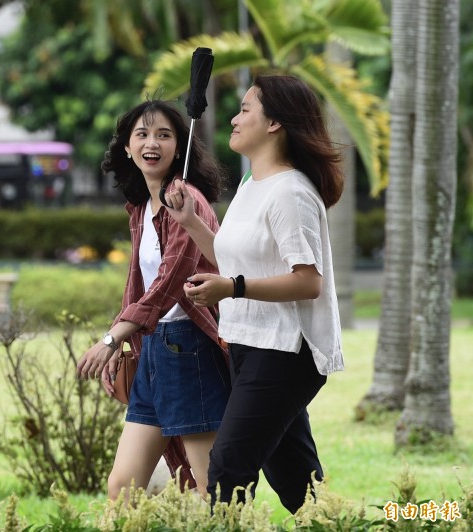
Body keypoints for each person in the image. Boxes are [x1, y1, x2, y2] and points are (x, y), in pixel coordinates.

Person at [163, 74, 345, 513]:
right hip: (249, 344)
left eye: (246, 109)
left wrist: (232, 288)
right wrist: (190, 222)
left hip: (287, 352)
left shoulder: (292, 193)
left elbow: (307, 280)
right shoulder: (251, 186)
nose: (234, 117)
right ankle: (339, 524)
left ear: (275, 123)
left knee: (227, 471)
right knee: (295, 481)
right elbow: (235, 261)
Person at [75, 99, 231, 501]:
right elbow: (138, 287)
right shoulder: (142, 208)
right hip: (153, 353)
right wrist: (123, 340)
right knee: (121, 486)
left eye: (164, 135)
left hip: (188, 349)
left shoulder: (186, 201)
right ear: (127, 147)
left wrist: (112, 337)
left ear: (179, 147)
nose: (152, 143)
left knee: (207, 488)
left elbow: (171, 281)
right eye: (142, 134)